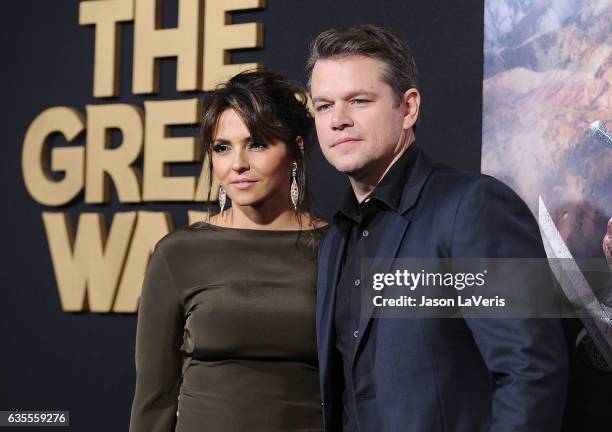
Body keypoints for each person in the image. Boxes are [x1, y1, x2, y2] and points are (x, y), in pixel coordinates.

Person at [307, 25, 568, 431]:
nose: (337, 120)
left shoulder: (473, 208)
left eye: (358, 101)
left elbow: (530, 373)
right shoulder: (336, 239)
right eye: (323, 106)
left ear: (408, 108)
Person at [129, 70, 326, 432]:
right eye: (222, 148)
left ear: (296, 150)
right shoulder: (179, 253)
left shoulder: (338, 248)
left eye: (258, 144)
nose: (238, 164)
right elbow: (153, 398)